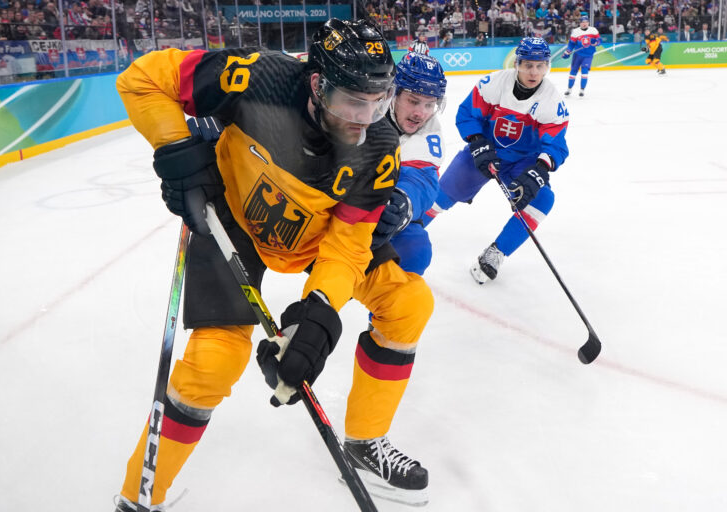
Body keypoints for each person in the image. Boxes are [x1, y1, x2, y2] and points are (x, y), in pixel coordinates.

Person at [113, 18, 434, 511]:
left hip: (314, 239)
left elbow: (347, 247)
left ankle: (365, 441)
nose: (365, 118)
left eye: (378, 101)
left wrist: (319, 316)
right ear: (315, 84)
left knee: (408, 301)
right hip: (234, 221)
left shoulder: (378, 148)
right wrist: (176, 147)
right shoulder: (256, 76)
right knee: (215, 361)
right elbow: (142, 78)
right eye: (353, 101)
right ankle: (141, 493)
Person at [422, 37, 569, 284]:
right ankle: (405, 233)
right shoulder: (493, 83)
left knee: (543, 199)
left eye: (540, 66)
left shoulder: (552, 100)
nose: (534, 72)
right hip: (486, 151)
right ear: (518, 64)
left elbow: (555, 143)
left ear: (547, 67)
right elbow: (467, 114)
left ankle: (496, 252)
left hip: (523, 161)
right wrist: (477, 142)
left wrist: (541, 169)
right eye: (528, 65)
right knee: (440, 196)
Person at [372, 51, 447, 276]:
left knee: (416, 248)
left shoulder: (430, 132)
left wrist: (402, 201)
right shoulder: (365, 104)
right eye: (413, 101)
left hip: (375, 203)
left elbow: (421, 179)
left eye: (429, 105)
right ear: (393, 94)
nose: (420, 113)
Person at [561, 15, 600, 97]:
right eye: (582, 22)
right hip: (577, 55)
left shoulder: (593, 30)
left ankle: (582, 90)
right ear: (580, 23)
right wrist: (568, 51)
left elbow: (599, 40)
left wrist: (596, 43)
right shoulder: (575, 31)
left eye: (586, 22)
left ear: (588, 22)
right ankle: (569, 89)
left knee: (584, 72)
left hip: (588, 55)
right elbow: (571, 44)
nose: (584, 24)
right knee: (573, 72)